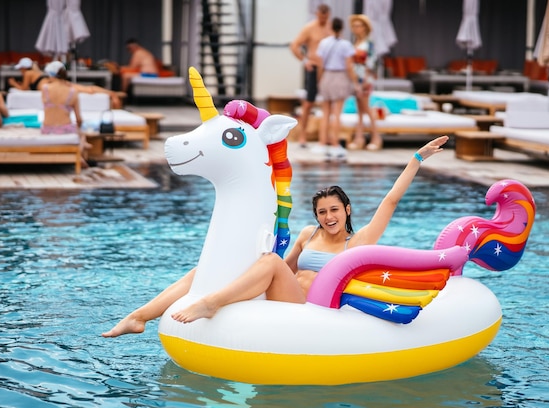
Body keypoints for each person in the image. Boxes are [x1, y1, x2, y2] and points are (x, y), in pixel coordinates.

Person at [101, 135, 449, 337]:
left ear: (347, 211)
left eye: (334, 210)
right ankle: (140, 317)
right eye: (322, 212)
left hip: (311, 307)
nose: (328, 217)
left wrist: (417, 158)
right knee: (203, 270)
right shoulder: (307, 233)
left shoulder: (357, 242)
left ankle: (211, 303)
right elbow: (282, 268)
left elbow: (390, 200)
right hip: (284, 294)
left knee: (266, 262)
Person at [313, 17, 359, 160]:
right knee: (337, 113)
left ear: (331, 27)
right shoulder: (346, 45)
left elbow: (320, 65)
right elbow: (349, 66)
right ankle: (335, 145)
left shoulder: (324, 43)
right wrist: (355, 82)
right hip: (340, 76)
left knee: (325, 112)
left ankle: (321, 144)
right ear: (342, 28)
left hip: (326, 75)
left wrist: (319, 80)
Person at [289, 4, 332, 148]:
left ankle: (326, 137)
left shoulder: (331, 28)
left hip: (327, 69)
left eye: (325, 17)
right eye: (321, 17)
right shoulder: (309, 28)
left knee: (329, 102)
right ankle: (302, 136)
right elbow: (294, 45)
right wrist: (305, 60)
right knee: (309, 102)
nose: (323, 19)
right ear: (316, 14)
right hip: (312, 67)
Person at [9, 56, 122, 109]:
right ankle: (111, 93)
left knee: (86, 90)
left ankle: (112, 94)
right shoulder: (35, 71)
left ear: (24, 68)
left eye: (20, 68)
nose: (20, 71)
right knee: (85, 89)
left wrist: (14, 83)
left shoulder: (28, 74)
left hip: (54, 85)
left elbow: (24, 88)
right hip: (54, 84)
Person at [346, 14, 383, 151]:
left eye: (358, 25)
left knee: (366, 108)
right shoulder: (356, 42)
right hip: (356, 79)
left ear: (365, 27)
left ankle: (376, 138)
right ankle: (359, 138)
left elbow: (372, 64)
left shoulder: (369, 43)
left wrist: (367, 80)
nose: (356, 28)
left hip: (364, 80)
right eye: (354, 26)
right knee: (360, 110)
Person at [40, 61, 92, 157]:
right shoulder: (73, 91)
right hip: (65, 129)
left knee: (80, 134)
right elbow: (79, 119)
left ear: (52, 75)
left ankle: (81, 150)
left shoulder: (45, 88)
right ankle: (79, 155)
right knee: (82, 133)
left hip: (47, 129)